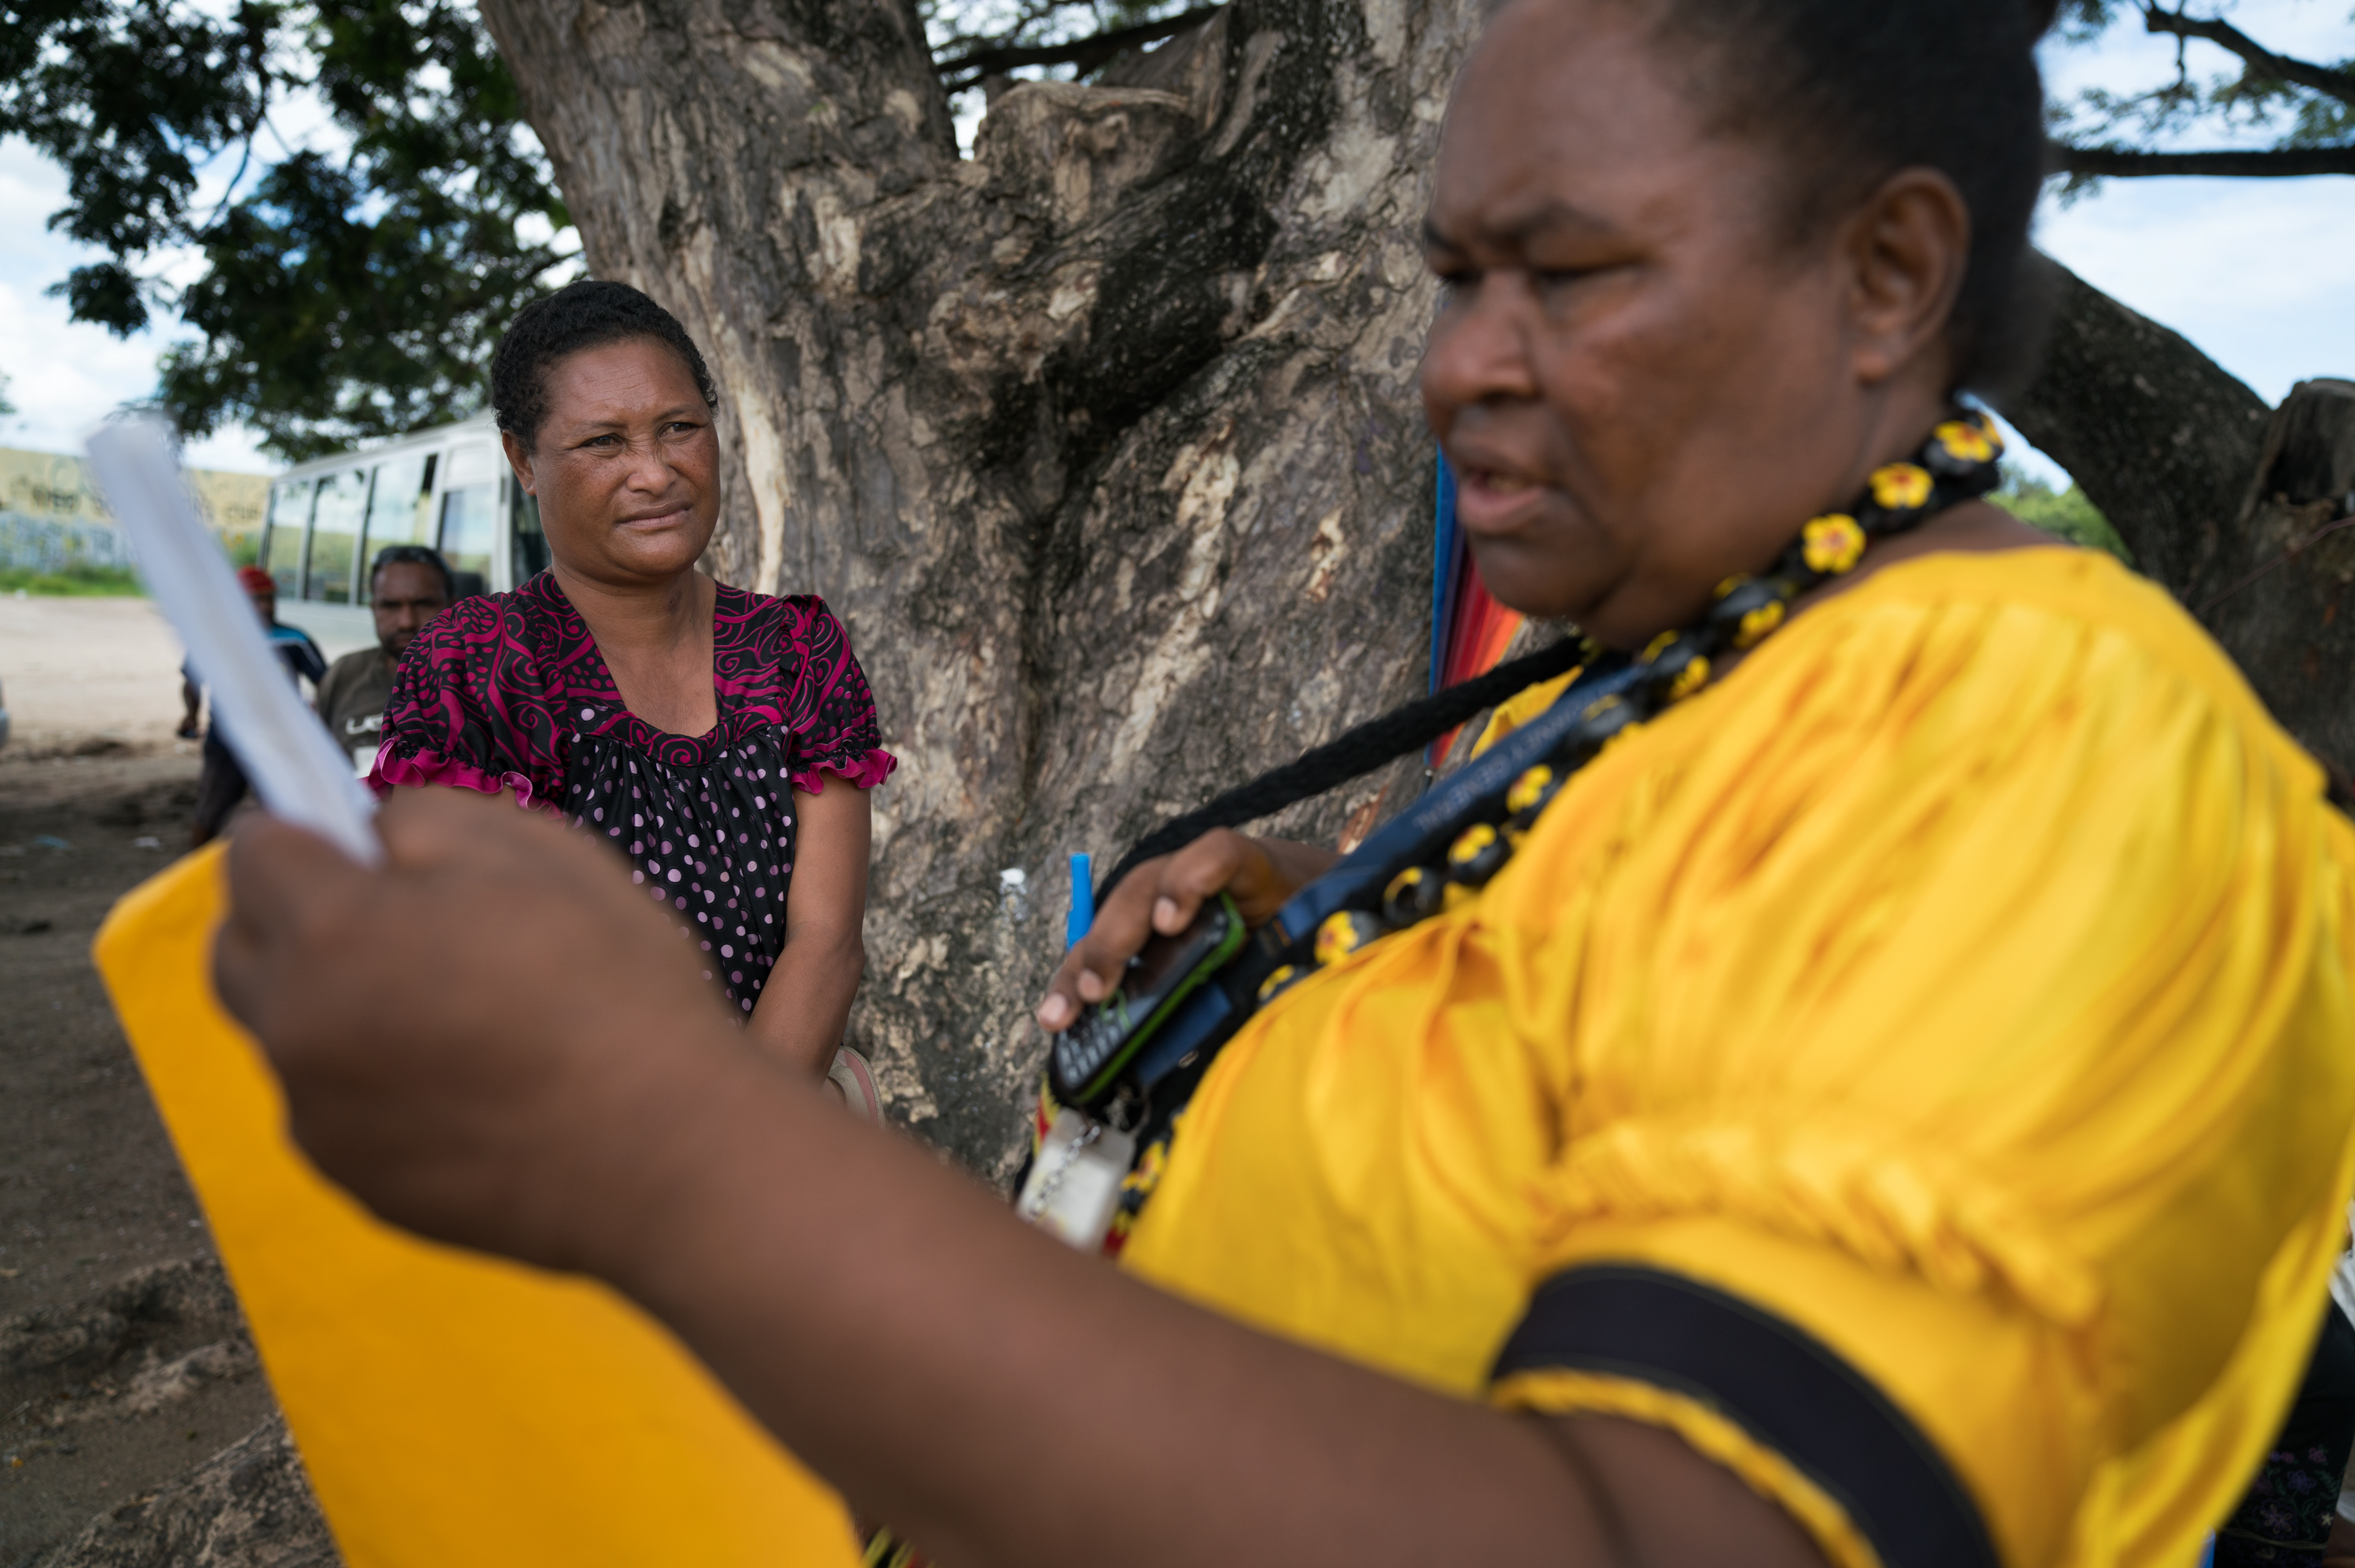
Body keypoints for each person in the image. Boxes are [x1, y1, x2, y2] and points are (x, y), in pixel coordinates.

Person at [215, 0, 2355, 1562]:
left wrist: (656, 1141)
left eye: (1566, 270)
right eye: (1444, 275)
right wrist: (1325, 915)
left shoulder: (2031, 742)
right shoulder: (1683, 678)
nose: (1459, 361)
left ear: (1883, 275)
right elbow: (1638, 1000)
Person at [369, 279, 895, 1116]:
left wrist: (734, 1151)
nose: (655, 473)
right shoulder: (477, 666)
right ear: (522, 461)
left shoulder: (795, 650)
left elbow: (827, 941)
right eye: (603, 442)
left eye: (680, 428)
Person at [189, 565, 328, 845]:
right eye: (255, 600)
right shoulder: (217, 639)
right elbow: (192, 680)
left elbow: (327, 683)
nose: (264, 606)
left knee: (284, 810)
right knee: (211, 811)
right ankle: (192, 871)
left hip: (280, 740)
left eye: (269, 599)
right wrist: (190, 716)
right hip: (227, 740)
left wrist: (320, 709)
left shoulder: (295, 640)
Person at [314, 546, 455, 777]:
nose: (406, 622)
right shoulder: (344, 675)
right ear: (374, 609)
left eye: (422, 604)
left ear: (452, 605)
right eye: (390, 606)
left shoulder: (482, 686)